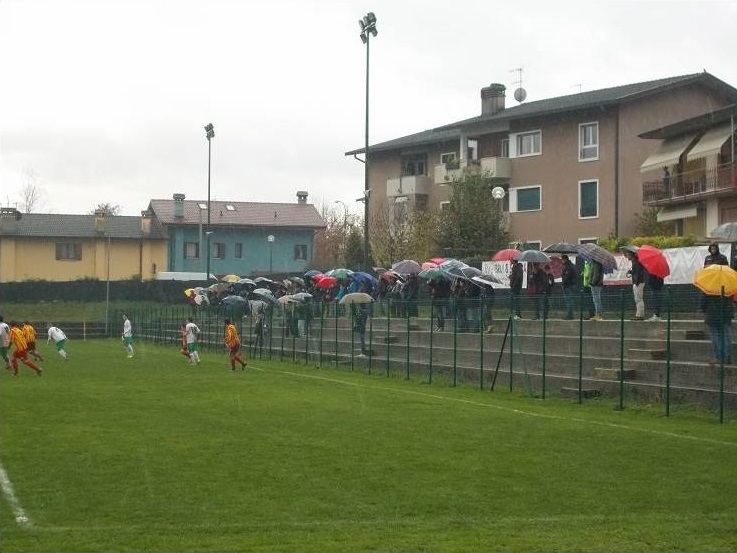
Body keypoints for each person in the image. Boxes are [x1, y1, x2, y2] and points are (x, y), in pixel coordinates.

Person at [701, 292, 733, 366]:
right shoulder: (728, 288)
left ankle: (719, 357)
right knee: (725, 336)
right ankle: (727, 356)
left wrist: (705, 311)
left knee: (715, 336)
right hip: (725, 316)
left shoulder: (709, 289)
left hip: (712, 315)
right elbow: (730, 303)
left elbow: (703, 304)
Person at [624, 250, 647, 321]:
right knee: (638, 299)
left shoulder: (636, 262)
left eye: (627, 254)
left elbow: (638, 273)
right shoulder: (635, 262)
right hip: (638, 282)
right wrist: (631, 271)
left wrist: (636, 283)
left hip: (638, 282)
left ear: (631, 255)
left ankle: (640, 316)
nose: (626, 255)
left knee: (638, 299)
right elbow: (636, 271)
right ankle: (639, 315)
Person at [561, 254, 578, 319]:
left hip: (568, 286)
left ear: (564, 259)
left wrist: (563, 284)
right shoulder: (571, 265)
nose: (561, 261)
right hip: (571, 285)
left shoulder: (568, 266)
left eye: (562, 260)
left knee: (569, 301)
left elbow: (567, 277)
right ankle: (570, 315)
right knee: (570, 301)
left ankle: (569, 315)